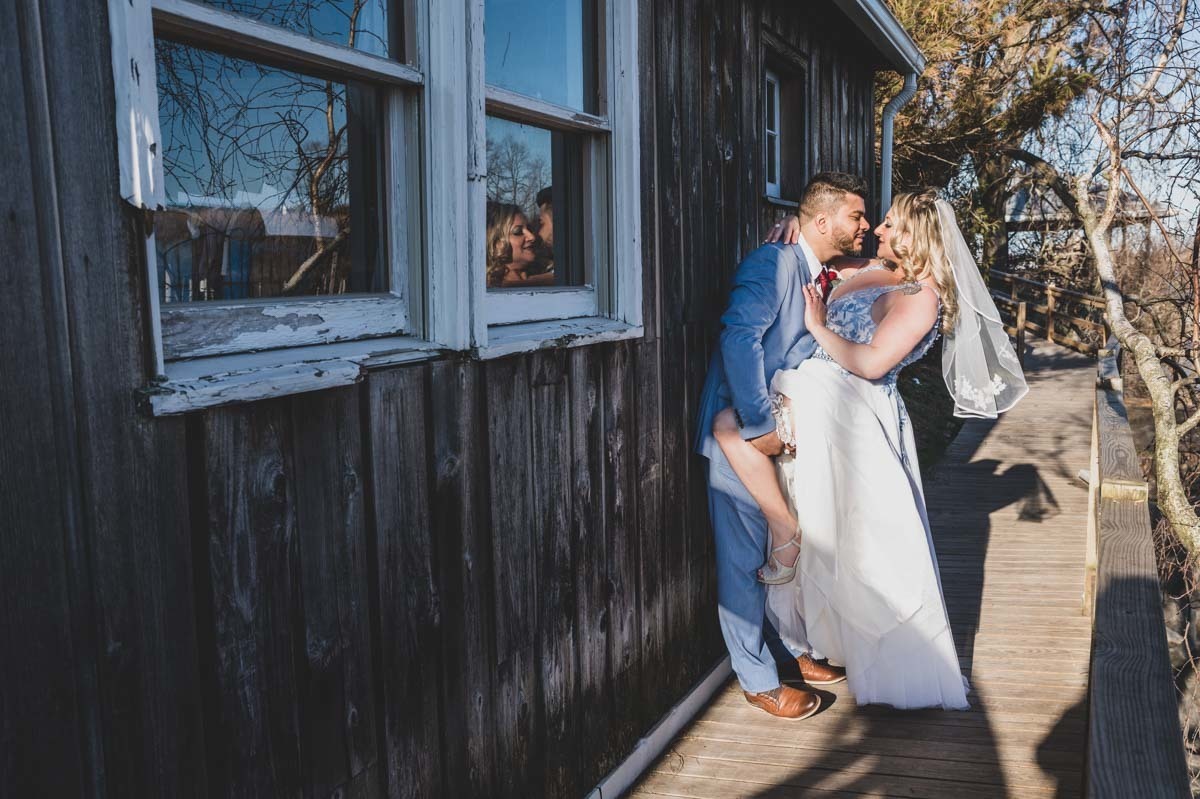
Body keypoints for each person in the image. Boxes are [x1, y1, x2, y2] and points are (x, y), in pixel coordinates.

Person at [715, 190, 1028, 709]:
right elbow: (816, 249)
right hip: (813, 389)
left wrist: (817, 325)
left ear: (912, 234)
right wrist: (790, 233)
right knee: (826, 530)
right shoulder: (870, 268)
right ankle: (808, 621)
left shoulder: (923, 296)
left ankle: (791, 548)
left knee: (859, 541)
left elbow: (873, 363)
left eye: (888, 223)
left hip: (848, 406)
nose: (877, 230)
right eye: (875, 221)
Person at [694, 172, 872, 721]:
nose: (864, 225)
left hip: (790, 431)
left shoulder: (815, 268)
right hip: (742, 432)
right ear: (822, 221)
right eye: (856, 216)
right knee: (745, 559)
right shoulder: (773, 263)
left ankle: (792, 651)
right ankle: (757, 679)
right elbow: (739, 339)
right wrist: (758, 423)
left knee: (784, 551)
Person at [486, 201, 555, 287]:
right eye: (518, 232)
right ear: (495, 243)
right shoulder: (487, 290)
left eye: (529, 228)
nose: (532, 236)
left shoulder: (548, 269)